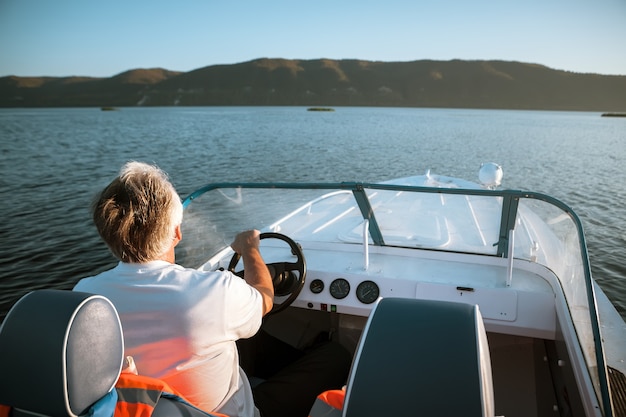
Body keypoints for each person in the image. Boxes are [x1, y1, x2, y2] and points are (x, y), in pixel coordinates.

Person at [74, 161, 350, 417]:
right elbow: (265, 298)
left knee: (247, 339)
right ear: (176, 233)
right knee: (335, 355)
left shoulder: (84, 298)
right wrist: (250, 249)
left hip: (141, 409)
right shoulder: (213, 293)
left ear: (107, 235)